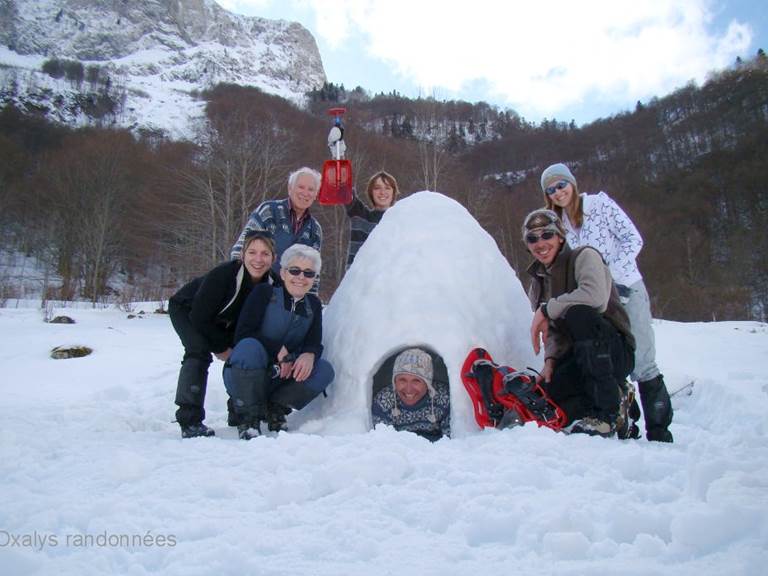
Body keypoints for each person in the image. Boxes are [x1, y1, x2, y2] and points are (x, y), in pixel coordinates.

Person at [539, 163, 673, 442]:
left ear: (572, 183)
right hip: (598, 304)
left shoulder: (599, 205)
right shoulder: (558, 225)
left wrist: (609, 276)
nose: (558, 192)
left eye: (561, 185)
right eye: (551, 190)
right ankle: (623, 414)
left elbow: (633, 240)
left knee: (644, 362)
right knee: (604, 355)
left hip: (626, 289)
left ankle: (660, 432)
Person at [524, 209, 636, 437]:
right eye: (532, 238)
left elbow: (595, 297)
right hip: (580, 355)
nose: (540, 243)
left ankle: (607, 414)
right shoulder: (539, 281)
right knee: (550, 394)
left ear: (560, 237)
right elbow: (554, 330)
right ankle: (619, 400)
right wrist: (551, 361)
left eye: (547, 235)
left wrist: (546, 309)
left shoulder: (584, 257)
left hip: (612, 349)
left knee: (579, 314)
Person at [169, 231, 277, 438]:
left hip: (224, 322)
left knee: (244, 351)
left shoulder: (273, 284)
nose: (258, 259)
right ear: (242, 254)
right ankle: (189, 419)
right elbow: (199, 316)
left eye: (265, 254)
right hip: (188, 310)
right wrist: (220, 347)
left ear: (273, 258)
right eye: (252, 252)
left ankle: (237, 409)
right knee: (198, 351)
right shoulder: (224, 275)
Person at [223, 244, 334, 439]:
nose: (301, 277)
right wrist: (278, 350)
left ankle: (276, 408)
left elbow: (313, 341)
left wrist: (310, 354)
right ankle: (248, 416)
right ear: (283, 273)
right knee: (249, 346)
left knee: (323, 370)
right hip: (247, 372)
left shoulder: (313, 305)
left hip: (281, 377)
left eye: (308, 273)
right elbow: (243, 333)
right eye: (295, 270)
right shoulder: (265, 293)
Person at [230, 167, 323, 285]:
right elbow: (240, 249)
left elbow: (313, 272)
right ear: (290, 189)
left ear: (316, 195)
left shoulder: (314, 230)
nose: (305, 193)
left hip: (290, 296)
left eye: (311, 189)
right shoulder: (269, 211)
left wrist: (310, 301)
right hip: (257, 289)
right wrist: (241, 287)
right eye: (301, 187)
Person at [372, 348, 451, 442]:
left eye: (416, 381)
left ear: (428, 383)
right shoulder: (383, 402)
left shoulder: (444, 399)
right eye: (402, 380)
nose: (408, 389)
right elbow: (383, 443)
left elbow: (450, 443)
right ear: (394, 381)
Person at [345, 171, 399, 268]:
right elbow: (345, 192)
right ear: (371, 192)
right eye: (377, 188)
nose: (382, 192)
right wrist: (340, 163)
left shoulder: (401, 221)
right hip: (360, 279)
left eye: (387, 188)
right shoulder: (361, 215)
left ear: (394, 192)